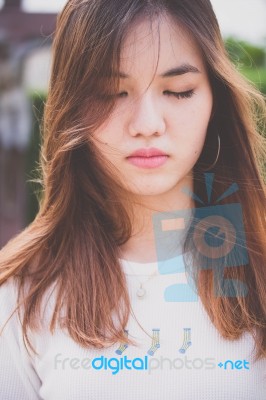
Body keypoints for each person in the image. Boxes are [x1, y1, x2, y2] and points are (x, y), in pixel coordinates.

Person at [0, 0, 266, 399]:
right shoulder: (22, 291)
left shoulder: (258, 267)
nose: (147, 124)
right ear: (71, 108)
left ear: (216, 98)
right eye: (112, 92)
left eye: (178, 92)